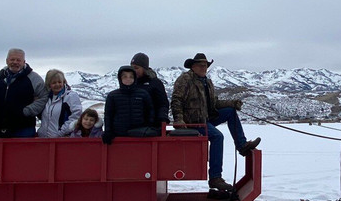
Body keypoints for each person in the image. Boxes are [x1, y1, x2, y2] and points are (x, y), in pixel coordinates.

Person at [171, 53, 259, 192]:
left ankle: (242, 145)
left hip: (206, 118)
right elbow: (176, 100)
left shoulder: (207, 82)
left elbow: (215, 103)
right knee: (217, 136)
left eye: (205, 65)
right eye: (200, 65)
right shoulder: (185, 79)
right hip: (193, 122)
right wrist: (179, 120)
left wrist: (232, 103)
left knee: (230, 112)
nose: (203, 68)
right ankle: (215, 178)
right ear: (193, 66)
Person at [0, 48, 48, 138]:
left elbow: (44, 97)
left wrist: (27, 111)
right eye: (12, 59)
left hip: (24, 129)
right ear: (7, 61)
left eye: (18, 60)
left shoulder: (34, 79)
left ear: (24, 62)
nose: (15, 62)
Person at [102, 66, 157, 144]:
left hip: (140, 134)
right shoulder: (113, 96)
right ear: (120, 79)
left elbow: (150, 111)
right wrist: (108, 131)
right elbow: (108, 115)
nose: (128, 79)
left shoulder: (143, 94)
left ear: (134, 78)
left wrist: (148, 126)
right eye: (125, 76)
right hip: (119, 135)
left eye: (131, 76)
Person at [38, 69, 82, 138]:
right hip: (44, 139)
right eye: (54, 83)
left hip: (63, 139)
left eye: (59, 82)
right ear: (49, 84)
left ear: (64, 82)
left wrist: (61, 133)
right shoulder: (46, 97)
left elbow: (76, 116)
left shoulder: (70, 96)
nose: (57, 85)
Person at [130, 52, 170, 124]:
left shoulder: (155, 83)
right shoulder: (130, 83)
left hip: (151, 124)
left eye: (136, 68)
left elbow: (163, 103)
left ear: (144, 68)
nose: (134, 70)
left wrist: (162, 118)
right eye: (132, 68)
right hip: (132, 124)